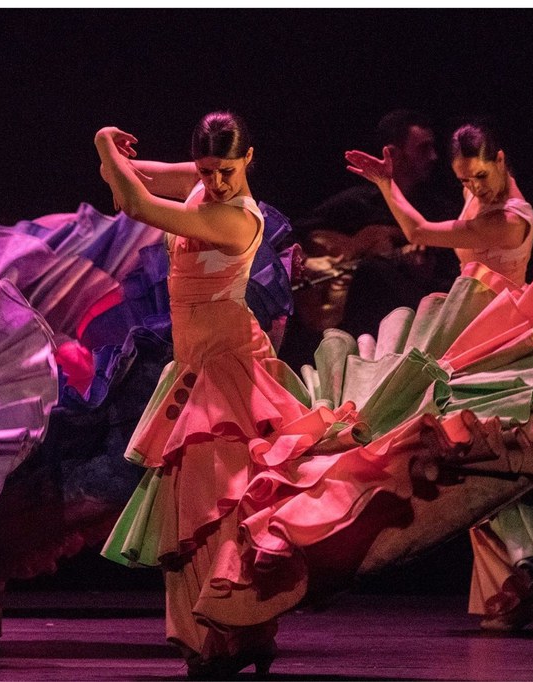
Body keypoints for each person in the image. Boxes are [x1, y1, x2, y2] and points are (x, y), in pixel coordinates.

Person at [98, 112, 350, 678]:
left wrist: (102, 144)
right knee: (205, 510)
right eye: (208, 170)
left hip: (229, 367)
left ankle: (227, 634)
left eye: (227, 170)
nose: (215, 183)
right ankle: (246, 634)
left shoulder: (237, 219)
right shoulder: (199, 186)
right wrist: (117, 157)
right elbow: (129, 181)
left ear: (250, 160)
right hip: (195, 366)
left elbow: (136, 203)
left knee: (223, 509)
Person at [282, 110, 459, 366]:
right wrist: (309, 263)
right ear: (393, 154)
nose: (433, 157)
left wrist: (423, 273)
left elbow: (452, 281)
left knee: (373, 273)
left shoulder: (438, 212)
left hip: (412, 329)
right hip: (347, 327)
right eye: (423, 148)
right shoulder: (357, 204)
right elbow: (293, 234)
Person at [345, 121, 533, 286]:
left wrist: (385, 182)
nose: (475, 187)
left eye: (481, 175)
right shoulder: (480, 188)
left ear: (499, 160)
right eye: (464, 179)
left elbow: (418, 232)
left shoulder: (508, 222)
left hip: (502, 314)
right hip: (472, 302)